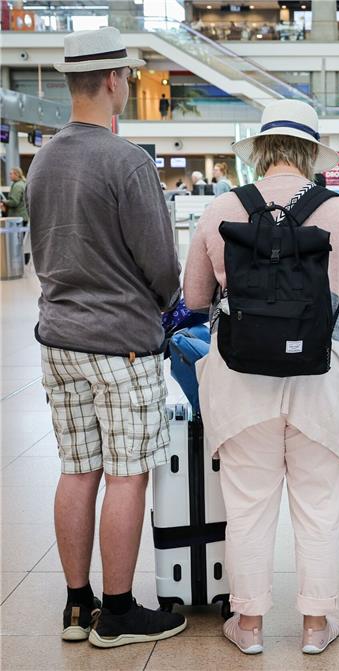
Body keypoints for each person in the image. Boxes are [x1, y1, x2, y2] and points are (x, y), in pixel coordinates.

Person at [183, 99, 339, 656]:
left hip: (240, 378)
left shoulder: (220, 207)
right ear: (310, 154)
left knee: (247, 505)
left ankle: (247, 626)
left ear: (262, 151)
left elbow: (196, 297)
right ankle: (317, 626)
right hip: (324, 378)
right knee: (319, 506)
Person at [26, 26, 185, 648]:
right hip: (120, 343)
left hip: (58, 338)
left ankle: (76, 606)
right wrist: (169, 305)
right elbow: (161, 265)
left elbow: (44, 251)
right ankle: (117, 612)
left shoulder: (43, 159)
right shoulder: (127, 161)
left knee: (77, 469)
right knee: (126, 474)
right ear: (116, 81)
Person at [3, 167, 29, 263]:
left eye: (11, 174)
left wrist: (4, 201)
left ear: (17, 174)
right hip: (23, 217)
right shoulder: (23, 183)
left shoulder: (17, 186)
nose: (9, 175)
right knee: (23, 241)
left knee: (18, 242)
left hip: (17, 218)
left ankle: (21, 262)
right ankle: (24, 261)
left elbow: (14, 202)